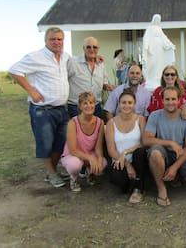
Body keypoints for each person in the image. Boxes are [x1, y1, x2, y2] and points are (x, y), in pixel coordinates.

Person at [9, 27, 70, 188]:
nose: (57, 42)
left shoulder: (65, 57)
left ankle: (52, 172)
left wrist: (94, 57)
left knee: (61, 142)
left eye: (59, 39)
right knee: (46, 143)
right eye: (53, 39)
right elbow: (14, 70)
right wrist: (31, 91)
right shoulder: (36, 57)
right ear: (46, 41)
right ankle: (51, 173)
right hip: (43, 110)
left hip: (61, 109)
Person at [143, 86, 186, 207]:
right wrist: (170, 143)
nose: (170, 102)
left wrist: (175, 167)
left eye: (173, 99)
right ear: (162, 100)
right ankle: (161, 188)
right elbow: (146, 140)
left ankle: (177, 174)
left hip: (180, 153)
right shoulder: (155, 115)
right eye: (167, 99)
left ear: (179, 100)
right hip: (163, 151)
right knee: (155, 154)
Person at [105, 90, 147, 203]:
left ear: (134, 104)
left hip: (138, 159)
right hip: (120, 161)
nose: (126, 105)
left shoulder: (140, 119)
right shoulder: (111, 123)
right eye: (124, 102)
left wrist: (126, 152)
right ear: (119, 104)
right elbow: (111, 150)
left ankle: (138, 188)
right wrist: (127, 164)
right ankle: (131, 184)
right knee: (119, 182)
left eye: (130, 102)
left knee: (140, 152)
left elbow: (144, 143)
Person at [61, 92, 107, 192]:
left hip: (89, 153)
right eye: (85, 103)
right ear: (80, 106)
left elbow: (98, 147)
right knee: (75, 165)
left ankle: (89, 173)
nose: (89, 106)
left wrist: (98, 161)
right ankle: (74, 179)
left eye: (91, 102)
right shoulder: (73, 122)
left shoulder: (100, 122)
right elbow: (73, 150)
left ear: (95, 104)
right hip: (73, 155)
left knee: (103, 163)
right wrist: (90, 158)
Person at [67, 37, 114, 119]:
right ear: (83, 48)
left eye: (95, 47)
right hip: (77, 108)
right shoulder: (73, 62)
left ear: (98, 49)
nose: (92, 49)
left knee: (97, 131)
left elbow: (104, 83)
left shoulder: (101, 64)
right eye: (88, 47)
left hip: (96, 107)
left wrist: (109, 86)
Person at [142, 14, 176, 91]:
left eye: (158, 19)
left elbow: (164, 38)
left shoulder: (159, 29)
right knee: (152, 63)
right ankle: (151, 78)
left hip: (159, 49)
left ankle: (158, 78)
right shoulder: (150, 28)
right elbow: (146, 38)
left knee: (159, 64)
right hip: (152, 49)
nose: (157, 21)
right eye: (156, 19)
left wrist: (170, 45)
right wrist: (146, 46)